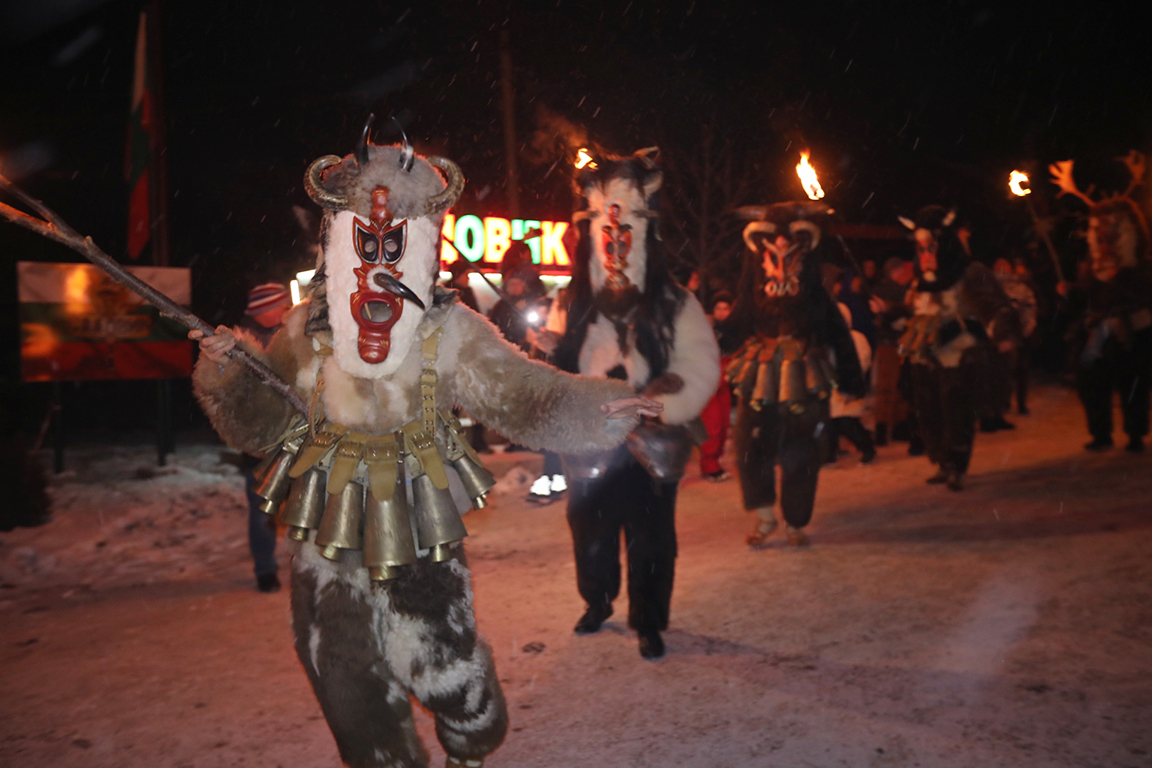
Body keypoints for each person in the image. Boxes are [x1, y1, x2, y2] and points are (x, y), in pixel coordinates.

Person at [190, 132, 658, 768]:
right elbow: (257, 428)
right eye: (362, 237)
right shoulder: (306, 329)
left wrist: (599, 407)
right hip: (327, 530)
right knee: (341, 675)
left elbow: (520, 395)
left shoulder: (447, 328)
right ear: (336, 238)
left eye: (396, 239)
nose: (378, 256)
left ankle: (473, 736)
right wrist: (230, 374)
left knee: (442, 666)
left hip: (417, 523)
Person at [552, 147, 720, 660]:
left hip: (650, 443)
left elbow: (700, 365)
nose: (615, 245)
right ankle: (598, 602)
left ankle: (648, 620)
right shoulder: (572, 304)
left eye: (625, 235)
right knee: (590, 530)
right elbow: (557, 369)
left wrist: (656, 404)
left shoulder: (676, 304)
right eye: (606, 235)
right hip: (591, 439)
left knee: (651, 539)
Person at [728, 201, 866, 549]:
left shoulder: (816, 298)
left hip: (805, 374)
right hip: (760, 371)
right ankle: (764, 516)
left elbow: (838, 333)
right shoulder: (750, 295)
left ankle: (795, 520)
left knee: (802, 450)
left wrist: (851, 381)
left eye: (791, 255)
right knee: (750, 444)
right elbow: (732, 327)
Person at [896, 207, 1020, 490]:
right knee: (928, 411)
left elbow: (996, 307)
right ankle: (941, 461)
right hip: (925, 356)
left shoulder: (970, 273)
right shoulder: (921, 281)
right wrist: (892, 314)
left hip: (958, 354)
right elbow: (913, 312)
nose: (926, 255)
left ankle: (957, 465)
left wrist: (1003, 333)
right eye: (921, 248)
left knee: (956, 411)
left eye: (932, 247)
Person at [237, 282, 291, 592]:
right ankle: (265, 569)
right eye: (281, 306)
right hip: (260, 443)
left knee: (302, 503)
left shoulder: (285, 337)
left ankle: (308, 562)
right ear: (265, 310)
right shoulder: (243, 344)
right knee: (263, 508)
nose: (285, 311)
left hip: (292, 438)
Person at [869, 257, 913, 445]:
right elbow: (909, 311)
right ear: (898, 271)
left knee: (889, 387)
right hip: (896, 343)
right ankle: (894, 427)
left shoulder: (878, 291)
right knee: (895, 387)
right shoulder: (899, 291)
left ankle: (885, 428)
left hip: (888, 342)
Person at [699, 291, 738, 481]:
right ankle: (709, 466)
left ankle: (714, 463)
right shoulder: (703, 330)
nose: (722, 313)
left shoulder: (732, 330)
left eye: (726, 308)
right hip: (708, 381)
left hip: (723, 379)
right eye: (718, 309)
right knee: (712, 424)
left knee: (722, 424)